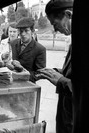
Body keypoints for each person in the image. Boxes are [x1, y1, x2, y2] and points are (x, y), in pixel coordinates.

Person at [37, 0, 74, 133]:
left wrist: (60, 81)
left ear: (68, 15)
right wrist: (55, 72)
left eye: (55, 24)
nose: (54, 29)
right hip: (66, 117)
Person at [10, 17, 46, 83]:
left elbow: (40, 74)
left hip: (28, 85)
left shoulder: (40, 49)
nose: (23, 34)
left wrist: (23, 74)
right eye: (21, 31)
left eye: (26, 31)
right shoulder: (13, 43)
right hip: (12, 83)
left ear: (32, 31)